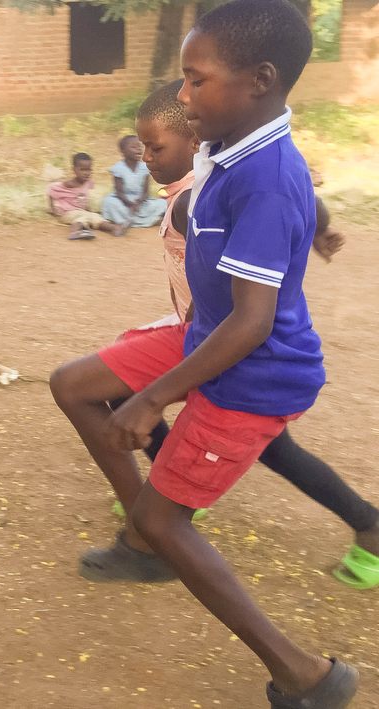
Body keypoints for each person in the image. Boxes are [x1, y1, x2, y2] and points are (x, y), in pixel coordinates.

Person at [50, 1, 359, 705]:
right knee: (74, 384)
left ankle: (307, 675)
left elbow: (252, 322)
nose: (184, 96)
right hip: (205, 337)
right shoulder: (231, 145)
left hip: (253, 371)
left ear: (260, 79)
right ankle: (143, 538)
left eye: (196, 80)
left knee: (166, 518)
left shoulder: (264, 175)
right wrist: (317, 225)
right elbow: (290, 201)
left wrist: (154, 395)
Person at [114, 77, 379, 587]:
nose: (145, 157)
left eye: (156, 147)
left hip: (228, 345)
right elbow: (297, 191)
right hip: (209, 335)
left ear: (193, 139)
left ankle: (168, 501)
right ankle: (367, 524)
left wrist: (318, 227)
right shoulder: (215, 169)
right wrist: (321, 226)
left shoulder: (202, 194)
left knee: (140, 394)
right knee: (274, 448)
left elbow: (283, 198)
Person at [100, 135, 167, 235]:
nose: (139, 149)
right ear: (123, 151)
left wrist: (138, 204)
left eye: (140, 146)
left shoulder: (145, 167)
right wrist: (130, 204)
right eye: (134, 147)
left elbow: (145, 192)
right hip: (123, 201)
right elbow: (119, 192)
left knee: (163, 203)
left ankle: (127, 221)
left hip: (141, 202)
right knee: (109, 202)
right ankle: (148, 220)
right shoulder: (118, 168)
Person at [46, 153, 120, 240]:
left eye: (89, 170)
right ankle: (74, 232)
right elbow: (51, 190)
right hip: (67, 213)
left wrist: (88, 209)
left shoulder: (88, 182)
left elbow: (85, 197)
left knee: (95, 216)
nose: (86, 173)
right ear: (74, 170)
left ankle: (114, 228)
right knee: (83, 217)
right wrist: (53, 209)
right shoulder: (69, 184)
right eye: (83, 170)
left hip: (81, 211)